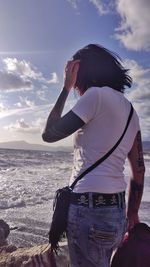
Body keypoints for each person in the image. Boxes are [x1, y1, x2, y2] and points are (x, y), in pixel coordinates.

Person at [42, 44, 145, 267]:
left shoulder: (95, 96)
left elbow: (49, 134)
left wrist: (65, 88)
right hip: (116, 213)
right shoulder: (130, 111)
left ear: (80, 71)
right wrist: (133, 213)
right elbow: (139, 170)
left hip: (89, 212)